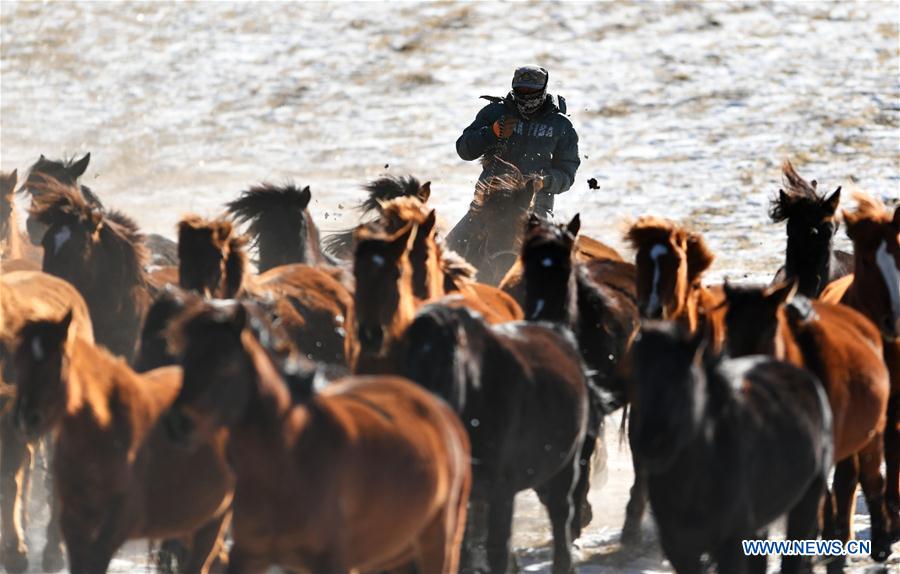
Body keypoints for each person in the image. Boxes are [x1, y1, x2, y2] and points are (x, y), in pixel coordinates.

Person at [456, 65, 580, 218]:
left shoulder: (561, 125)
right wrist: (491, 133)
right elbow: (463, 150)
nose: (526, 96)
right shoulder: (494, 112)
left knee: (548, 241)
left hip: (537, 208)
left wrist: (544, 181)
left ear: (543, 90)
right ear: (513, 87)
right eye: (521, 91)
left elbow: (567, 175)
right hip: (488, 203)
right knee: (450, 242)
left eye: (531, 91)